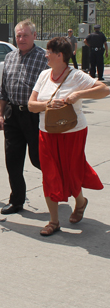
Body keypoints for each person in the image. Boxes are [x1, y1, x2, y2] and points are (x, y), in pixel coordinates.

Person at [28, 37, 109, 236]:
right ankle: (53, 221)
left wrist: (79, 95)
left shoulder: (76, 76)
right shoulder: (44, 75)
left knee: (72, 171)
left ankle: (80, 203)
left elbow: (104, 90)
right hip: (47, 133)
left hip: (73, 132)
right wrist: (47, 105)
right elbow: (31, 105)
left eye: (48, 51)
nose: (45, 54)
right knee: (50, 174)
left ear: (60, 55)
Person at [0, 19, 49, 214]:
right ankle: (16, 200)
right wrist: (0, 115)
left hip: (35, 116)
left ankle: (59, 189)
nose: (21, 39)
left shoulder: (45, 58)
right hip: (12, 117)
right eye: (18, 35)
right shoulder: (9, 57)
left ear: (35, 36)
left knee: (38, 159)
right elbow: (3, 90)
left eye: (25, 35)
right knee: (13, 161)